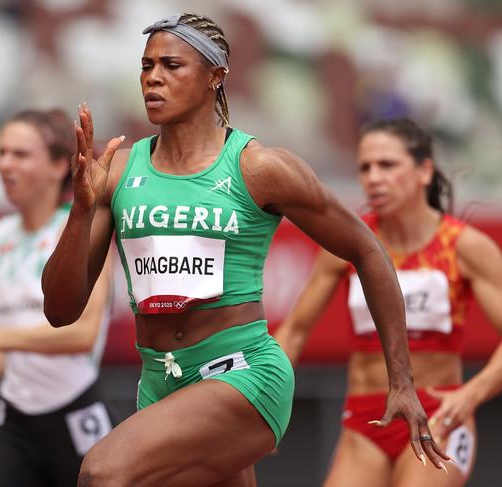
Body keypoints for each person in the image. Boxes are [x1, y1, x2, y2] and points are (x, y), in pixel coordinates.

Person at [42, 14, 448, 487]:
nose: (152, 77)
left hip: (244, 377)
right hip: (160, 384)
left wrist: (401, 380)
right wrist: (81, 209)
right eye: (146, 65)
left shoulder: (259, 168)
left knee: (101, 474)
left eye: (172, 65)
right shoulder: (118, 172)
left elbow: (368, 251)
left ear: (216, 76)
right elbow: (59, 310)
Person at [274, 117, 502, 487]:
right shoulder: (347, 244)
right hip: (366, 422)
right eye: (365, 167)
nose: (374, 177)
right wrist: (265, 400)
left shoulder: (464, 246)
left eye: (387, 165)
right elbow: (296, 331)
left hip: (438, 416)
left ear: (424, 170)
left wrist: (470, 396)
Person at [0, 108, 115, 487]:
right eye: (1, 152)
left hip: (74, 410)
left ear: (58, 167)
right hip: (15, 416)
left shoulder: (85, 233)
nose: (5, 164)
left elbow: (81, 335)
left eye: (20, 155)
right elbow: (14, 327)